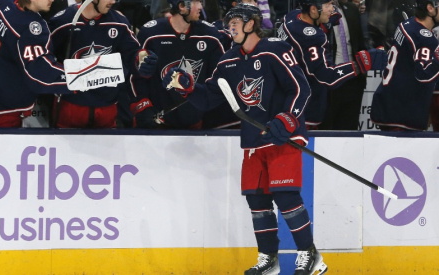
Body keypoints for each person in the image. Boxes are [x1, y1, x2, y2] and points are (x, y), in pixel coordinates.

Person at [162, 3, 327, 274]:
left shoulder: (275, 50)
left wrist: (287, 119)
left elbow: (300, 88)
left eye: (236, 21)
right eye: (229, 22)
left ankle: (309, 255)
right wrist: (188, 85)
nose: (231, 26)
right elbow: (209, 98)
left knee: (286, 197)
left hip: (282, 138)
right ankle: (268, 260)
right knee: (257, 201)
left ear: (252, 23)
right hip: (253, 141)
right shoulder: (228, 61)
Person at [277, 0, 386, 129]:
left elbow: (302, 49)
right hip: (304, 108)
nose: (332, 9)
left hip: (286, 98)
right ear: (313, 9)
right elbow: (327, 76)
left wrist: (324, 26)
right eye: (327, 5)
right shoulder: (314, 37)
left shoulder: (291, 17)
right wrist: (361, 64)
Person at [48, 0, 158, 128]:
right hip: (71, 105)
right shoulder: (63, 21)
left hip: (107, 105)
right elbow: (47, 60)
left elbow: (132, 53)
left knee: (107, 147)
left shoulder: (119, 21)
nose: (113, 1)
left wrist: (142, 61)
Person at [130, 0, 237, 129]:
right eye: (195, 3)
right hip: (156, 121)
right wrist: (142, 104)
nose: (200, 7)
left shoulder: (210, 35)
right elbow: (136, 76)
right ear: (181, 6)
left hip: (194, 122)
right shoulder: (151, 34)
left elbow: (217, 79)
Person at [0, 0, 77, 127]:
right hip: (3, 111)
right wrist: (76, 77)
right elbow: (40, 75)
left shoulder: (2, 3)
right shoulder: (30, 27)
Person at [371, 0, 439, 131]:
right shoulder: (424, 38)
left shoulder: (407, 24)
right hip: (403, 111)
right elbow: (423, 75)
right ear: (430, 8)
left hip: (388, 102)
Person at [319, 0, 367, 130]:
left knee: (349, 128)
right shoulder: (317, 9)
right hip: (329, 80)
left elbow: (360, 41)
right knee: (327, 128)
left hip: (353, 78)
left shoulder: (351, 9)